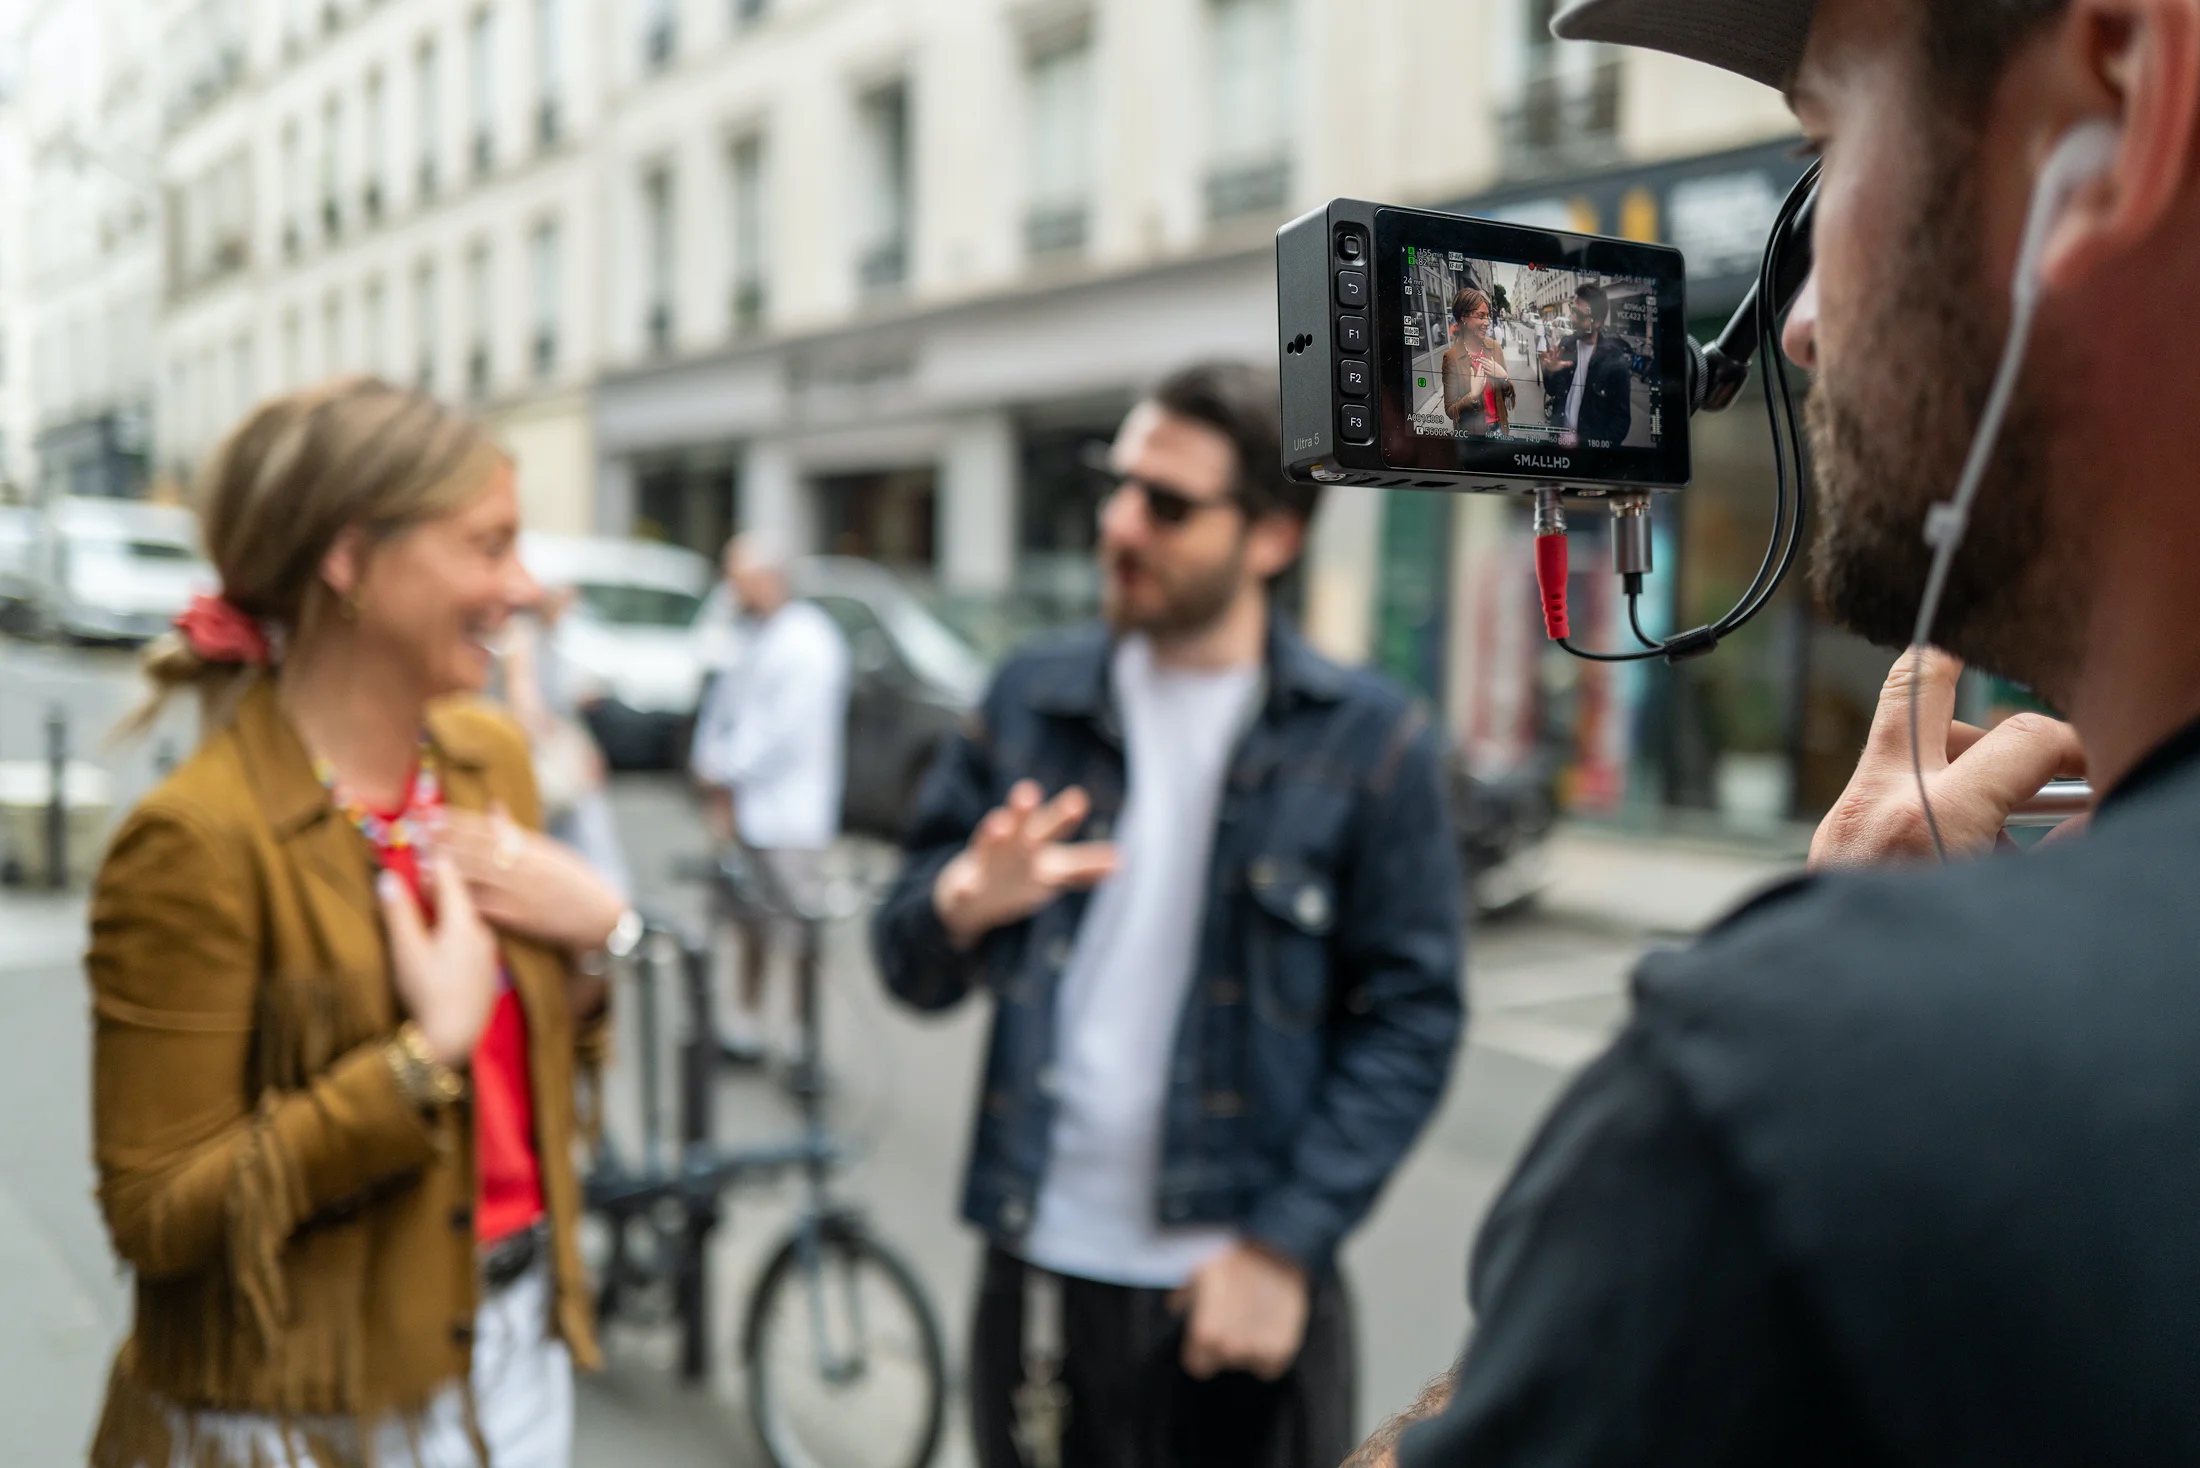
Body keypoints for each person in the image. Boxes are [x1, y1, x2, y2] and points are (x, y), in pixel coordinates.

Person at [1356, 0, 2200, 1461]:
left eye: (1825, 140)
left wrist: (1867, 1013)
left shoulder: (1785, 1113)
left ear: (2112, 110)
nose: (1795, 320)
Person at [872, 361, 1465, 1468]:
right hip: (1039, 1273)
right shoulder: (1029, 699)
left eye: (1168, 504)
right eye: (1119, 486)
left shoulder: (1368, 741)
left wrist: (1283, 1250)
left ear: (1274, 538)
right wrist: (959, 900)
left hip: (1238, 1299)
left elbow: (1414, 1018)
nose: (1120, 525)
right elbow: (903, 960)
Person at [86, 378, 639, 1467]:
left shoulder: (490, 760)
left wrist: (598, 946)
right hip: (295, 1411)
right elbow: (157, 1213)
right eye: (489, 546)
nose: (522, 588)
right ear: (348, 560)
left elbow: (529, 1078)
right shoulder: (194, 841)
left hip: (513, 1356)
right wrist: (416, 1058)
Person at [689, 531, 850, 1062]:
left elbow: (783, 729)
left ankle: (806, 1041)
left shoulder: (809, 640)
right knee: (748, 924)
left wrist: (724, 769)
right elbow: (722, 702)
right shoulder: (748, 633)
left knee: (798, 931)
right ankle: (747, 1027)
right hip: (746, 810)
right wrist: (711, 765)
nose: (732, 591)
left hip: (789, 814)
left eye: (740, 580)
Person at [502, 583, 632, 898]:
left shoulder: (551, 637)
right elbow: (526, 708)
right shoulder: (521, 637)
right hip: (540, 755)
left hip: (554, 751)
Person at [1536, 283, 1634, 446]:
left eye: (1579, 315)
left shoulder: (1615, 362)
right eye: (1572, 311)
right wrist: (1550, 371)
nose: (1572, 318)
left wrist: (1594, 449)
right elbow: (1552, 390)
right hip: (1558, 445)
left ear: (1597, 322)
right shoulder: (1566, 345)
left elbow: (1620, 422)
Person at [1441, 288, 1514, 437]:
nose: (1487, 322)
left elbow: (1508, 393)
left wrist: (1504, 377)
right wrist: (1472, 396)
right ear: (1464, 318)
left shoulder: (1495, 348)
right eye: (1481, 316)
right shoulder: (1451, 357)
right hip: (1472, 437)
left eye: (1487, 316)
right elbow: (1450, 411)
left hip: (1500, 430)